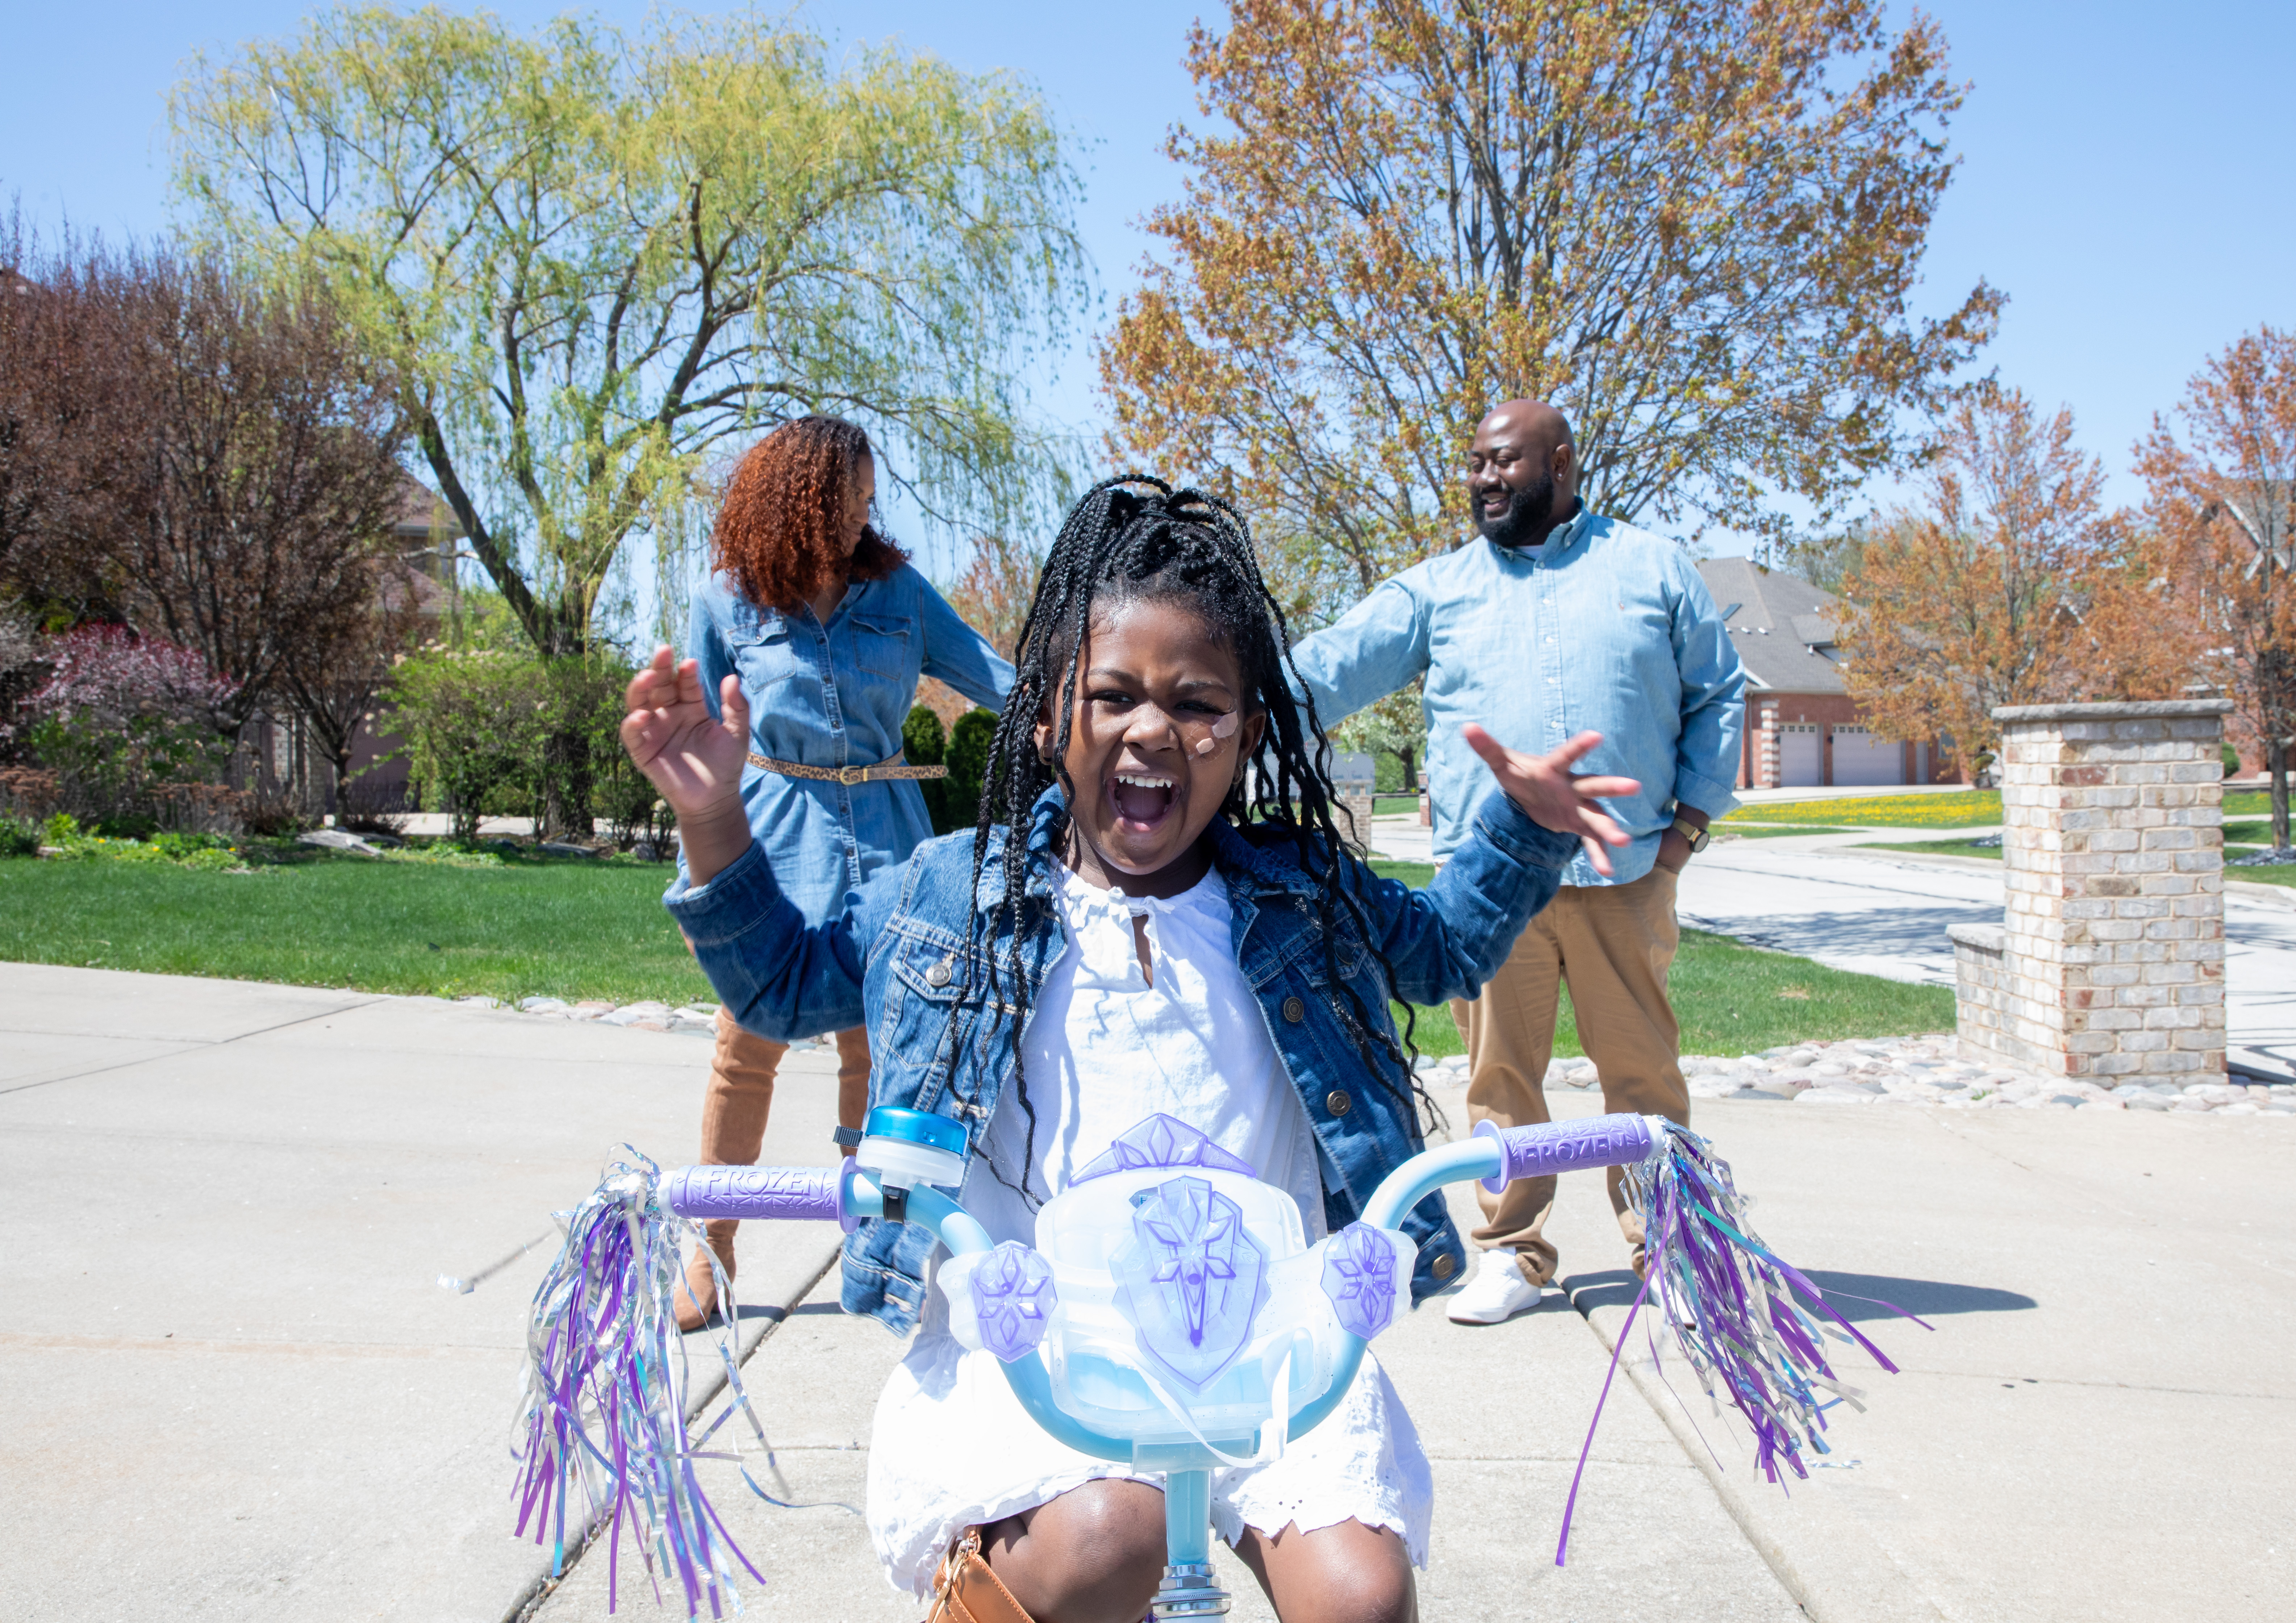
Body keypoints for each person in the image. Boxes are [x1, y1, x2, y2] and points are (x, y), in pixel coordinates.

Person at [621, 477, 1637, 1623]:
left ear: (1249, 734)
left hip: (1263, 1338)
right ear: (1051, 714)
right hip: (1037, 1348)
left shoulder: (1299, 893)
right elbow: (785, 984)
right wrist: (713, 823)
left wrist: (1522, 831)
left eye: (1199, 704)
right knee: (1115, 1539)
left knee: (1361, 1598)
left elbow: (1444, 951)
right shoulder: (956, 891)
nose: (1153, 729)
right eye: (1113, 695)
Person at [1290, 400, 1747, 1326]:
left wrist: (1686, 829)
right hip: (1493, 887)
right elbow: (1328, 668)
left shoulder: (1651, 569)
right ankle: (1510, 1250)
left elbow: (1719, 692)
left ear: (1562, 464)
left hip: (1623, 874)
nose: (1484, 479)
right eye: (1475, 464)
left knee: (1644, 1075)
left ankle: (1670, 1251)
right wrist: (1213, 698)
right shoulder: (1439, 589)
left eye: (1504, 461)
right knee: (1500, 1077)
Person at [675, 414, 1015, 1330]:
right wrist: (706, 855)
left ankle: (883, 1243)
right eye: (847, 495)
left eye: (870, 495)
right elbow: (700, 744)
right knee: (746, 1049)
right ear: (799, 499)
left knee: (883, 1044)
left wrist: (1093, 705)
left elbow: (997, 677)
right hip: (776, 838)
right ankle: (712, 1248)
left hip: (890, 841)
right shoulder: (727, 603)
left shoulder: (898, 592)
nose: (864, 511)